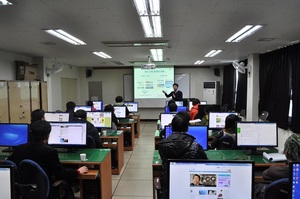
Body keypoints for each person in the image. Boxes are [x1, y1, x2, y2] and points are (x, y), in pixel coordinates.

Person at [7, 120, 88, 199]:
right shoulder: (50, 151)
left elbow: (9, 163)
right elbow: (60, 174)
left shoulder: (19, 148)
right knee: (65, 184)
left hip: (22, 190)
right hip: (44, 189)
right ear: (48, 135)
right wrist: (77, 171)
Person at [158, 111, 207, 198]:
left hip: (169, 183)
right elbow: (206, 163)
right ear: (187, 128)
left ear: (172, 127)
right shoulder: (195, 145)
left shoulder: (162, 145)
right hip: (190, 184)